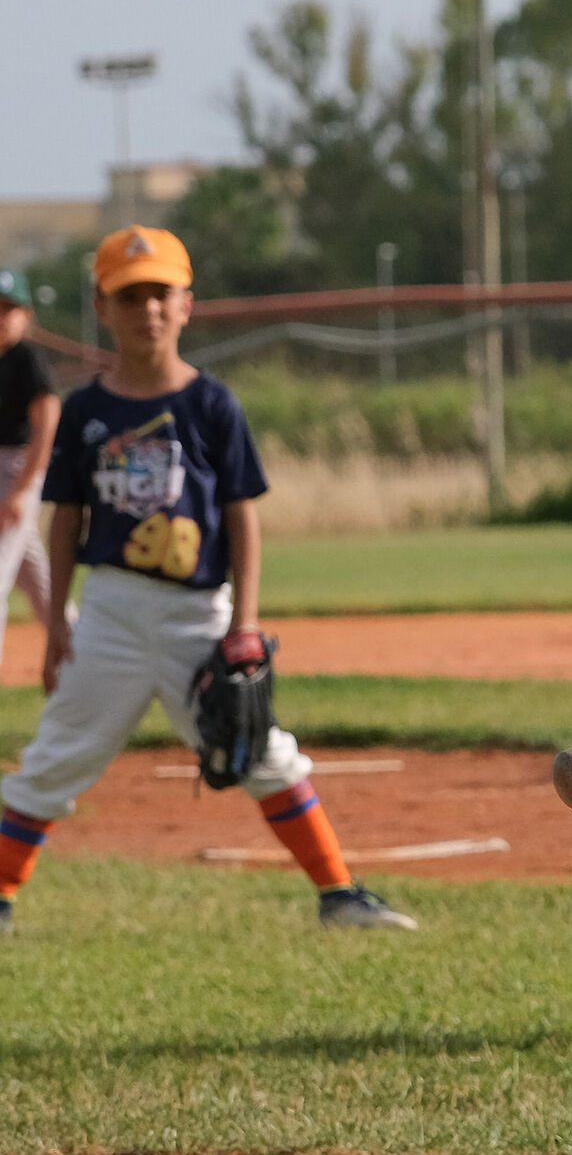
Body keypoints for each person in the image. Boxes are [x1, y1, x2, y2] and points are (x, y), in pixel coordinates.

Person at [0, 226, 416, 935]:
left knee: (261, 752)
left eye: (160, 293)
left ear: (187, 304)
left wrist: (244, 624)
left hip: (200, 613)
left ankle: (338, 894)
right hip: (110, 611)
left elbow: (241, 519)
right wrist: (58, 626)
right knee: (57, 755)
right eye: (128, 296)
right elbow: (64, 520)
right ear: (102, 308)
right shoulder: (86, 412)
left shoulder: (213, 405)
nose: (147, 310)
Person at [0, 269, 61, 680]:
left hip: (17, 468)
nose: (1, 316)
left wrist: (22, 491)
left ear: (25, 315)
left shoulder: (27, 359)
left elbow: (46, 425)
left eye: (9, 308)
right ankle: (74, 642)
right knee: (36, 578)